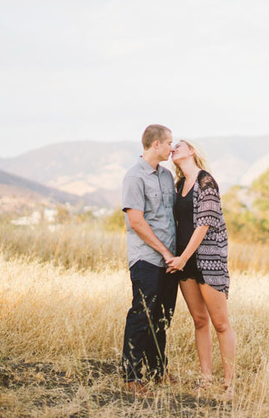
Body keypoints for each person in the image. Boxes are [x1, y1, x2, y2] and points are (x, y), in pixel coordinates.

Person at [166, 139, 236, 400]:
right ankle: (206, 379)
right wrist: (179, 258)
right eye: (171, 146)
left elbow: (204, 224)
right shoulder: (178, 185)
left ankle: (229, 385)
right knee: (199, 321)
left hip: (208, 261)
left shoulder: (206, 181)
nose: (173, 149)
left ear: (192, 151)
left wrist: (183, 258)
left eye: (179, 145)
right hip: (185, 262)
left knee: (220, 323)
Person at [120, 124, 178, 393]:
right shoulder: (134, 177)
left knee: (163, 317)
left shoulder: (166, 176)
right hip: (147, 259)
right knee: (142, 315)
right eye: (169, 143)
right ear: (156, 144)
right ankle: (132, 377)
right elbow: (136, 221)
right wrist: (164, 252)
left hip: (170, 261)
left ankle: (157, 372)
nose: (172, 148)